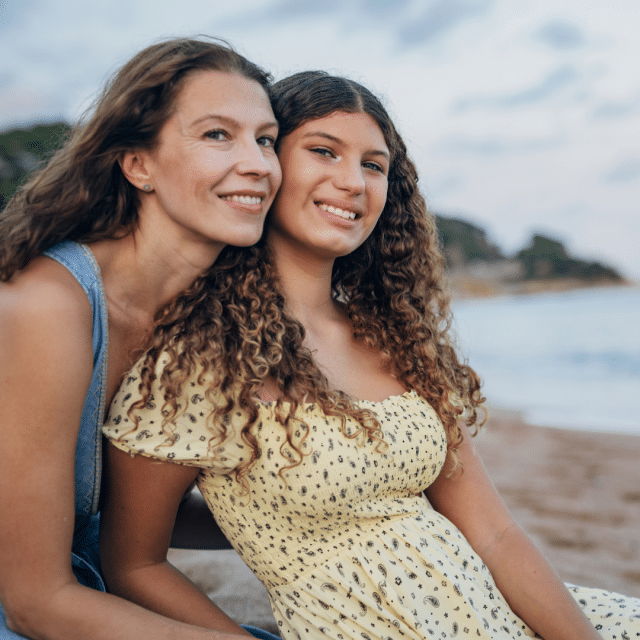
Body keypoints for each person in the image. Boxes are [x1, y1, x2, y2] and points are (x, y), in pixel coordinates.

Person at [101, 71, 640, 639]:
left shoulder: (397, 337)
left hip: (494, 613)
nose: (353, 182)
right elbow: (134, 563)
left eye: (373, 165)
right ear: (268, 167)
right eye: (323, 152)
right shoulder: (200, 360)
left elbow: (494, 533)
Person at [0, 37, 283, 640]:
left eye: (265, 139)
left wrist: (316, 506)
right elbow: (32, 600)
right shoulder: (49, 303)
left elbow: (128, 515)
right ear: (138, 165)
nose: (258, 164)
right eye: (217, 135)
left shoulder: (197, 320)